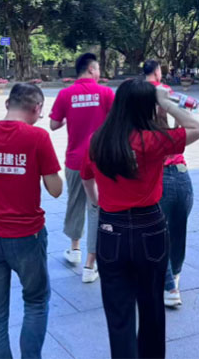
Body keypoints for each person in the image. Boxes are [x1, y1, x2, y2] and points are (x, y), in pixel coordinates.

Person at [81, 80, 199, 358]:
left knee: (118, 311)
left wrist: (96, 201)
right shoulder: (151, 140)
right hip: (149, 227)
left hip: (110, 229)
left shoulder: (97, 140)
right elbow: (198, 128)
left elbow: (85, 177)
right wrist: (165, 102)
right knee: (151, 306)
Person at [0, 83, 63, 359]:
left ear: (7, 103)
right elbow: (55, 190)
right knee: (36, 302)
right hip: (26, 237)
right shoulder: (38, 138)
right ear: (37, 109)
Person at [49, 52, 115, 283]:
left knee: (75, 202)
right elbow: (116, 123)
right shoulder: (106, 93)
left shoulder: (65, 94)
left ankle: (74, 248)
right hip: (102, 160)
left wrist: (70, 117)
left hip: (75, 159)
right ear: (91, 69)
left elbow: (53, 124)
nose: (99, 73)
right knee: (96, 207)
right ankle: (90, 264)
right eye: (97, 69)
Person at [143, 60, 194, 308]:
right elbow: (191, 127)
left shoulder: (138, 97)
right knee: (177, 231)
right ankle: (174, 278)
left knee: (156, 233)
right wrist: (177, 110)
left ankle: (168, 284)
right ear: (157, 71)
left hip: (158, 176)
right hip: (181, 175)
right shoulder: (166, 93)